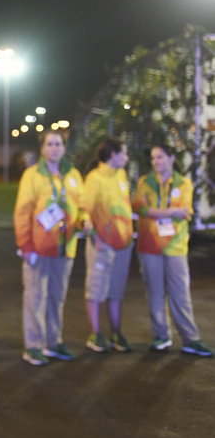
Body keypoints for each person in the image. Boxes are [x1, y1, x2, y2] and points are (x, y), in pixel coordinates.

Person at [13, 130, 86, 366]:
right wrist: (25, 244)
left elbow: (82, 205)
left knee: (57, 298)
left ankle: (54, 342)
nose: (54, 148)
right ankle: (34, 346)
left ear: (64, 148)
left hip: (65, 248)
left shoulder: (73, 175)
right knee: (36, 297)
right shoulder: (33, 175)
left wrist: (84, 220)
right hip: (38, 249)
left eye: (58, 144)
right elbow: (23, 213)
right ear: (43, 148)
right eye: (50, 144)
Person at [132, 144, 212, 357]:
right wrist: (171, 211)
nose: (156, 162)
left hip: (175, 245)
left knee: (180, 293)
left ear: (172, 158)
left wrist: (155, 211)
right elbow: (139, 207)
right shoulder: (144, 183)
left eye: (160, 157)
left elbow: (185, 211)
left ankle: (190, 338)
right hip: (150, 245)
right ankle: (161, 335)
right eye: (153, 158)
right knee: (155, 292)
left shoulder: (184, 183)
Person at [82, 139, 134, 353]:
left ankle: (116, 332)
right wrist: (95, 237)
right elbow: (85, 210)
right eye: (124, 153)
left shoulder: (121, 176)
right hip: (102, 245)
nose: (127, 157)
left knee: (116, 291)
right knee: (95, 289)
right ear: (112, 155)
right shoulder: (95, 179)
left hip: (123, 245)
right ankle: (96, 334)